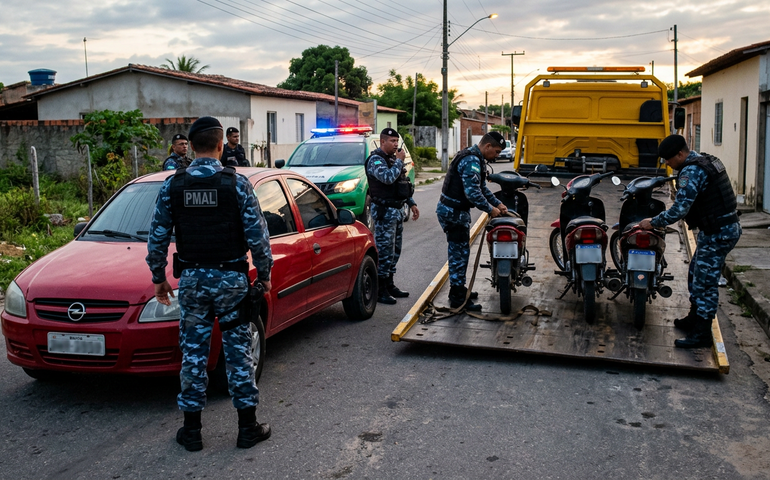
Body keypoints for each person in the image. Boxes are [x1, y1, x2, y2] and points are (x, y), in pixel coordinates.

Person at [146, 116, 273, 451]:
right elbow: (258, 237)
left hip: (192, 282)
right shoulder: (236, 184)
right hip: (231, 280)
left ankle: (191, 432)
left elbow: (157, 237)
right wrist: (264, 275)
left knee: (193, 354)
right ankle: (247, 428)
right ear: (220, 145)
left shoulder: (173, 185)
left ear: (191, 146)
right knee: (238, 352)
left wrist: (158, 277)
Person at [639, 134, 741, 348]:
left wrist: (653, 222)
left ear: (680, 154)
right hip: (717, 229)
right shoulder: (704, 160)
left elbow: (680, 209)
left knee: (705, 283)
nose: (667, 164)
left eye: (669, 159)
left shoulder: (692, 171)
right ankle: (695, 318)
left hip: (719, 233)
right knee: (696, 274)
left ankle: (702, 334)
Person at [436, 132, 508, 311]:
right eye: (496, 152)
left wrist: (497, 203)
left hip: (456, 212)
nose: (497, 156)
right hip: (453, 213)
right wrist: (490, 209)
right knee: (458, 256)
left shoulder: (475, 157)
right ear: (488, 146)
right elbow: (473, 193)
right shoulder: (471, 161)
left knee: (461, 254)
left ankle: (459, 289)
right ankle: (458, 297)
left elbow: (481, 187)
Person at [365, 128, 420, 304]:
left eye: (397, 141)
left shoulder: (392, 160)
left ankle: (390, 285)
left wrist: (411, 203)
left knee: (395, 251)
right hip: (384, 211)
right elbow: (387, 178)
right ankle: (380, 289)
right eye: (392, 141)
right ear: (382, 142)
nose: (396, 144)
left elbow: (401, 183)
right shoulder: (376, 160)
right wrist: (399, 162)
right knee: (384, 252)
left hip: (396, 210)